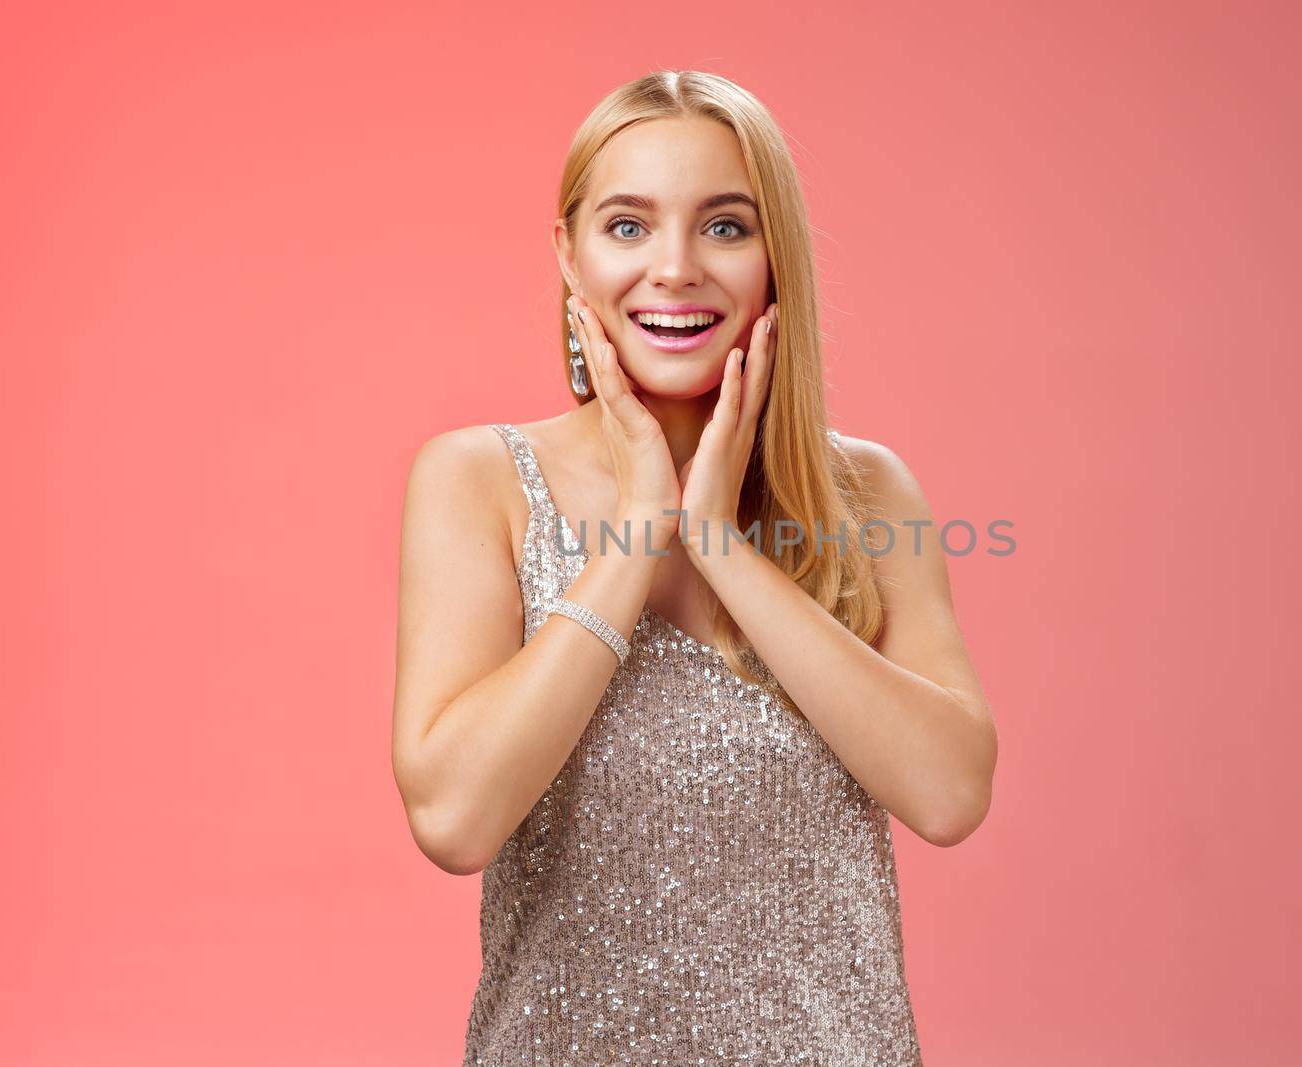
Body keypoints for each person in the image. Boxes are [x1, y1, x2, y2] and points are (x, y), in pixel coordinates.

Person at [391, 69, 997, 1065]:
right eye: (627, 226)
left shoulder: (870, 494)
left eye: (724, 226)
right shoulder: (478, 479)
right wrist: (641, 529)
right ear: (568, 254)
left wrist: (719, 544)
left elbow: (948, 792)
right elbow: (455, 817)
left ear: (775, 260)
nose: (673, 267)